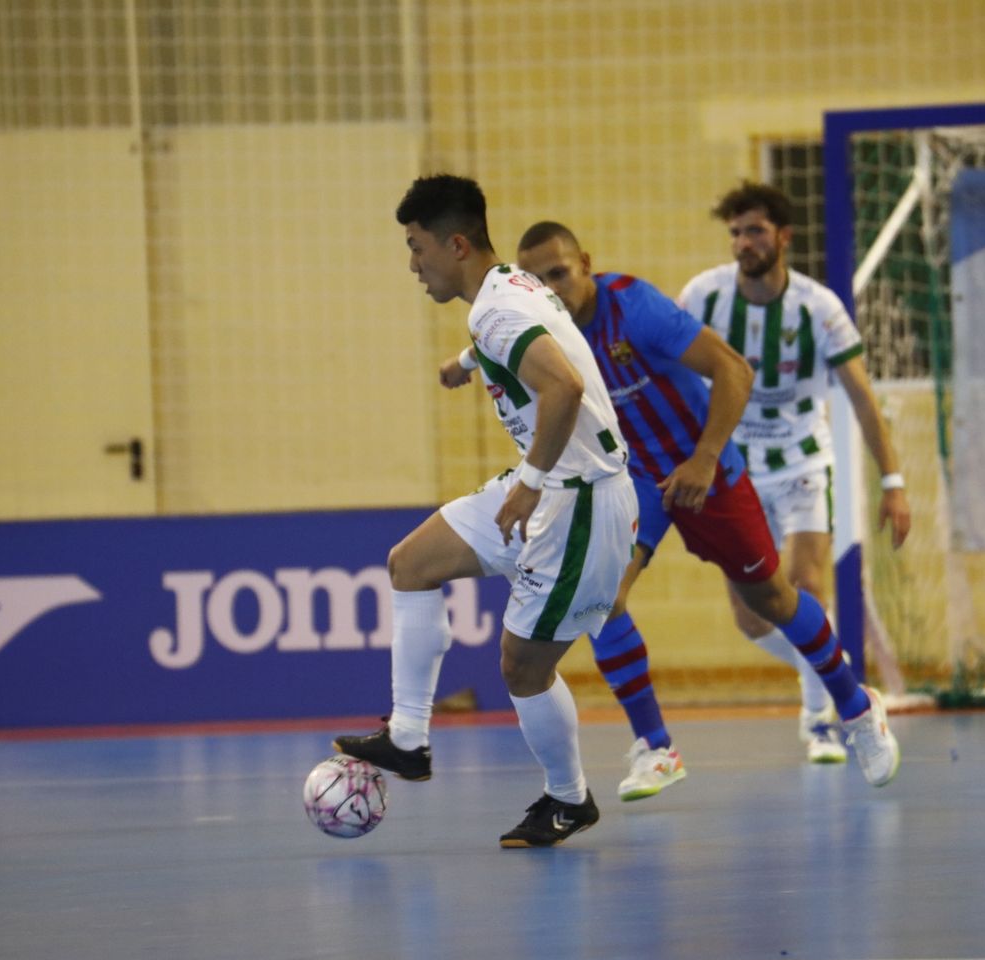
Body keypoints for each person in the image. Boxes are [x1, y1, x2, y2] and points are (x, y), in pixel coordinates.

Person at [515, 222, 901, 796]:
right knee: (602, 596)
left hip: (707, 468)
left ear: (586, 265)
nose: (552, 289)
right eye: (538, 282)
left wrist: (704, 458)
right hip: (638, 479)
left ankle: (855, 706)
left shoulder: (635, 308)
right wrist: (463, 365)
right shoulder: (546, 329)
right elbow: (495, 340)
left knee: (772, 598)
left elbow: (734, 370)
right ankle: (655, 746)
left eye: (560, 274)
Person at [332, 174, 639, 847]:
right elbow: (530, 335)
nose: (413, 263)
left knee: (522, 669)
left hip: (577, 499)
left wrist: (530, 480)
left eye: (418, 248)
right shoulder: (510, 289)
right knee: (410, 564)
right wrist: (467, 364)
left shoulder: (497, 309)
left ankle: (569, 799)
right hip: (544, 486)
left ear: (457, 244)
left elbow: (562, 384)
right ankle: (409, 738)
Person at [678, 182, 912, 760]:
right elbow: (666, 370)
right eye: (735, 232)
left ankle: (819, 719)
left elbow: (861, 398)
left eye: (754, 230)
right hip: (734, 466)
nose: (743, 243)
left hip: (804, 458)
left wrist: (893, 482)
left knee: (807, 587)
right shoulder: (702, 297)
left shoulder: (819, 306)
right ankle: (837, 675)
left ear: (783, 236)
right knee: (754, 616)